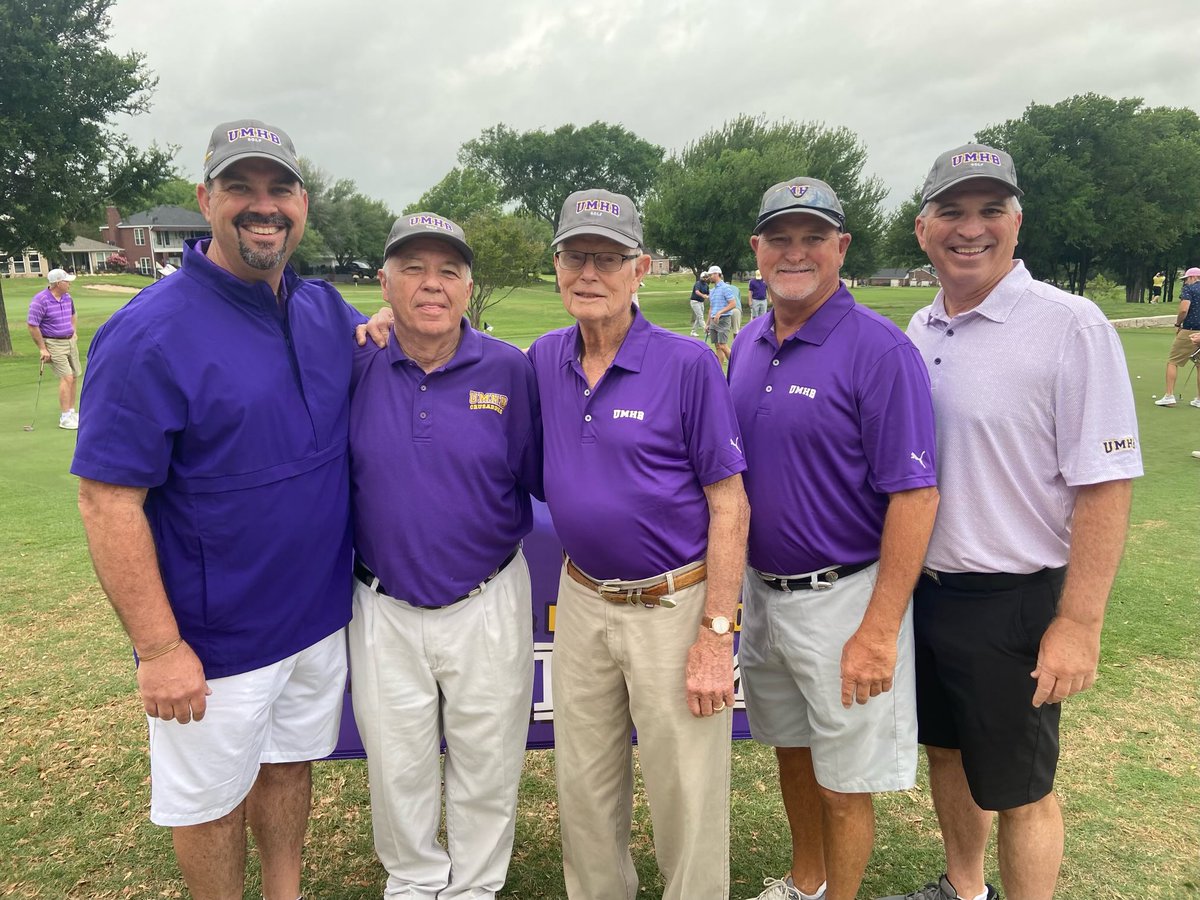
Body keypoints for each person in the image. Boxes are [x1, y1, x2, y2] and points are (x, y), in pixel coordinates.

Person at [72, 118, 366, 900]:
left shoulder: (325, 311)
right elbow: (107, 502)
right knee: (207, 802)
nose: (261, 207)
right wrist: (160, 648)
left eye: (279, 190)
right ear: (205, 200)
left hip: (314, 618)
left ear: (302, 205)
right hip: (213, 639)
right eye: (241, 187)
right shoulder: (146, 334)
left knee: (288, 767)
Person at [879, 143, 1143, 900]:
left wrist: (1080, 623)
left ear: (1017, 222)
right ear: (923, 228)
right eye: (953, 212)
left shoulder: (1070, 325)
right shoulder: (917, 330)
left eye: (991, 211)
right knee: (949, 755)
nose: (972, 229)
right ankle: (965, 889)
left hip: (1015, 598)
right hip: (926, 592)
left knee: (1022, 787)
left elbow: (1105, 486)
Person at [526, 188, 750, 900]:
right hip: (583, 600)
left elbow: (730, 503)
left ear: (640, 268)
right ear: (557, 265)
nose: (589, 272)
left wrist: (718, 634)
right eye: (575, 256)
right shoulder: (541, 358)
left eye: (608, 258)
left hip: (673, 605)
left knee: (686, 794)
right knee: (584, 789)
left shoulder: (686, 364)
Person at [730, 178, 939, 900]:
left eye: (812, 238)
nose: (795, 253)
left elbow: (914, 496)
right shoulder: (749, 343)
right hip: (764, 594)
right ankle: (805, 882)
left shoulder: (880, 350)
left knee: (847, 784)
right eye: (779, 238)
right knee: (792, 755)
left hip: (843, 598)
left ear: (841, 248)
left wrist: (880, 629)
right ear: (755, 250)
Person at [347, 213, 543, 899]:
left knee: (487, 759)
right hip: (382, 601)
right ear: (385, 281)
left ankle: (475, 887)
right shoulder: (353, 362)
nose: (431, 284)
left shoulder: (510, 369)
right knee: (396, 762)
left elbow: (539, 473)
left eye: (448, 271)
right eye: (412, 268)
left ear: (468, 286)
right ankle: (413, 880)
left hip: (486, 596)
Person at [27, 267, 82, 429]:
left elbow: (73, 315)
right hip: (53, 343)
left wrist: (74, 332)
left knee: (75, 375)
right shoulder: (40, 300)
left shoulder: (67, 297)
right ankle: (65, 418)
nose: (69, 284)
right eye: (67, 281)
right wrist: (43, 348)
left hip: (70, 341)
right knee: (67, 377)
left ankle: (71, 412)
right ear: (58, 283)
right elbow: (32, 325)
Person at [1153, 266, 1200, 407]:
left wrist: (1178, 324)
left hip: (1189, 330)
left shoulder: (1189, 289)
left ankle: (1169, 396)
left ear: (1193, 277)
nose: (1185, 282)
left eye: (1186, 279)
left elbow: (1184, 309)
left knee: (1173, 361)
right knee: (1199, 365)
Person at [707, 265, 739, 366]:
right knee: (717, 346)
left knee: (723, 345)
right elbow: (711, 308)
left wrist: (720, 312)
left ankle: (736, 366)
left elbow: (733, 303)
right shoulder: (712, 291)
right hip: (713, 320)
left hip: (723, 319)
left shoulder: (725, 288)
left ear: (717, 274)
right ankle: (719, 371)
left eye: (711, 275)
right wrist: (707, 323)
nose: (709, 277)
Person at [690, 269, 711, 336]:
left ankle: (693, 331)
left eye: (706, 277)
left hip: (701, 302)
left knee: (698, 317)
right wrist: (703, 296)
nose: (705, 278)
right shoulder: (698, 283)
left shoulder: (706, 285)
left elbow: (708, 293)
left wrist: (708, 296)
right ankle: (707, 331)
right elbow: (697, 291)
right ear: (701, 277)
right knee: (700, 316)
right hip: (695, 301)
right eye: (704, 277)